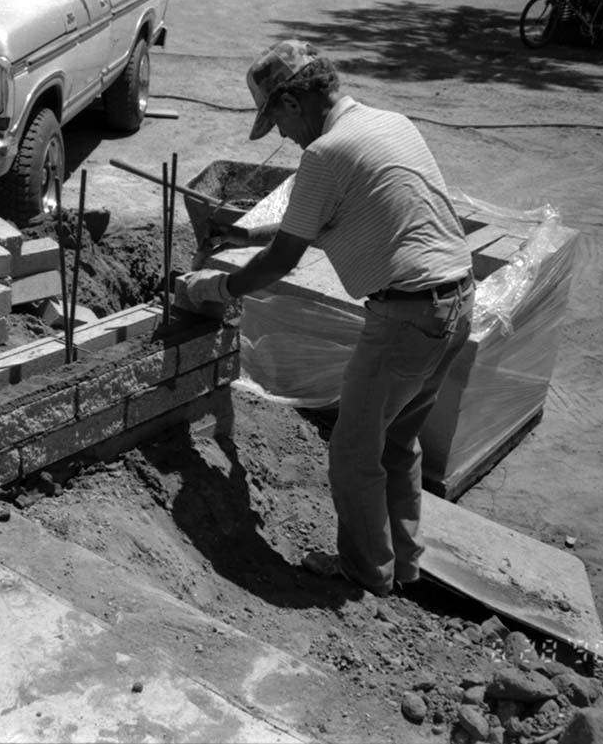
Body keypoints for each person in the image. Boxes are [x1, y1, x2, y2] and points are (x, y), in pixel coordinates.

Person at [179, 40, 474, 598]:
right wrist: (245, 233)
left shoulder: (324, 152)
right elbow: (332, 218)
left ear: (293, 102)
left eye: (278, 122)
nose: (286, 137)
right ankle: (402, 565)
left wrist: (215, 286)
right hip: (455, 304)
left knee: (353, 452)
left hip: (406, 318)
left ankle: (366, 575)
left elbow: (283, 261)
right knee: (396, 442)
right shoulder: (388, 123)